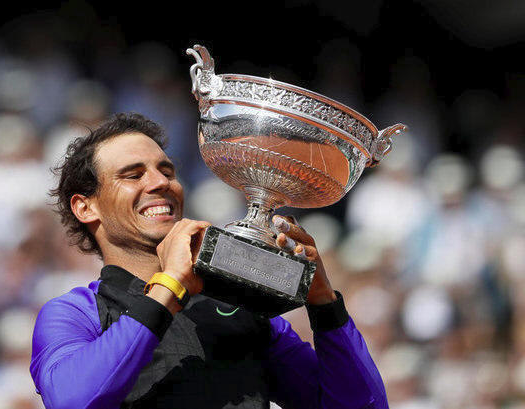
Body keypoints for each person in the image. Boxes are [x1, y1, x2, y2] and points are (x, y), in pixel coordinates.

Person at [30, 112, 389, 409]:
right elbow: (73, 400)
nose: (161, 183)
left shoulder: (239, 308)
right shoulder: (75, 313)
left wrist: (324, 305)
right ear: (85, 207)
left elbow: (361, 405)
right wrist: (169, 285)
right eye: (133, 175)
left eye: (167, 171)